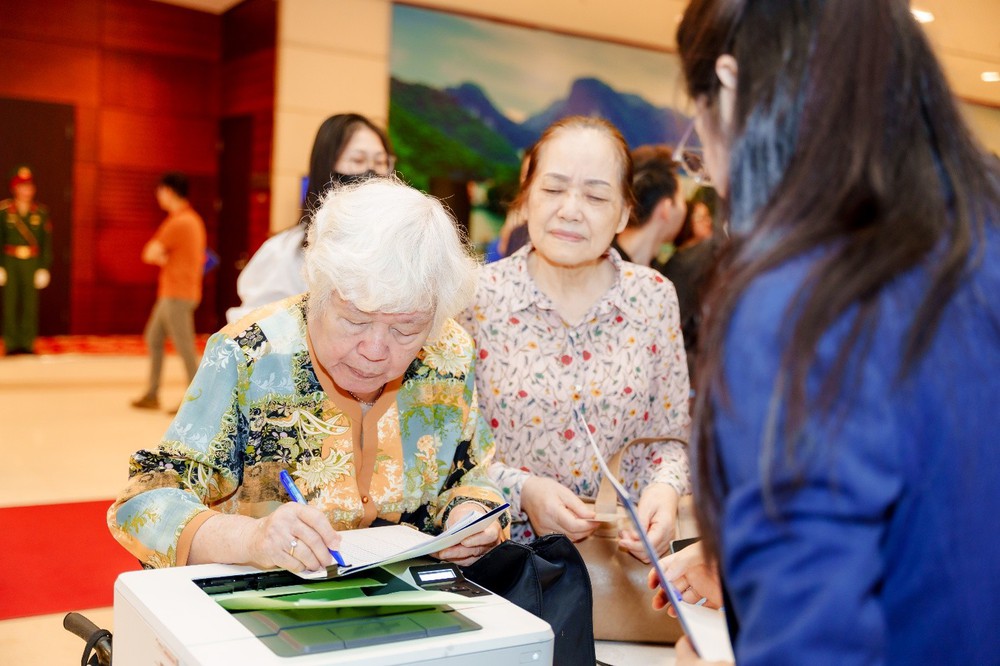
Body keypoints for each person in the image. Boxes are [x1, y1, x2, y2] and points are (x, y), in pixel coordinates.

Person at [653, 0, 1000, 664]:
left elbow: (814, 645)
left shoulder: (798, 301)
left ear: (729, 88)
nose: (715, 176)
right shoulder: (976, 240)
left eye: (700, 135)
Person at [109, 176, 507, 573]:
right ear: (317, 288)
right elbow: (144, 504)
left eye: (406, 330)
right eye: (354, 320)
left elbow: (470, 470)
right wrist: (252, 539)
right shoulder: (249, 354)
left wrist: (471, 513)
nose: (374, 351)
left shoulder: (448, 352)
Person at [460, 115, 691, 562]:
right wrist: (523, 490)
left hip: (622, 569)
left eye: (596, 195)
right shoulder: (477, 297)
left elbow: (671, 438)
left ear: (624, 212)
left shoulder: (653, 298)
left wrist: (665, 491)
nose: (570, 209)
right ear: (526, 198)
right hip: (505, 569)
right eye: (552, 189)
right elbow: (448, 445)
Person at [226, 113, 394, 323]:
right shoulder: (286, 251)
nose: (372, 172)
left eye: (380, 162)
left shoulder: (399, 246)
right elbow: (254, 327)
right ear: (327, 166)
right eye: (358, 160)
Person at [131, 172, 207, 411]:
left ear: (169, 192)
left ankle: (197, 401)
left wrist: (162, 257)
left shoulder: (178, 222)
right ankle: (152, 393)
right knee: (154, 337)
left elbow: (149, 253)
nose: (158, 196)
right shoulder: (193, 220)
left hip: (177, 293)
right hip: (179, 292)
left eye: (160, 191)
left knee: (184, 347)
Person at [0, 166, 52, 355]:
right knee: (10, 303)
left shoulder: (40, 212)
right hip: (10, 260)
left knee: (30, 305)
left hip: (31, 261)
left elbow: (45, 243)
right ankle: (12, 343)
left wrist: (43, 267)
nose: (26, 190)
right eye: (22, 186)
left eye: (29, 186)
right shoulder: (5, 212)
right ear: (14, 188)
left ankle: (28, 343)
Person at [612, 144, 687, 268]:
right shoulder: (603, 269)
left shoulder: (603, 258)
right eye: (682, 200)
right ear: (666, 208)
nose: (684, 209)